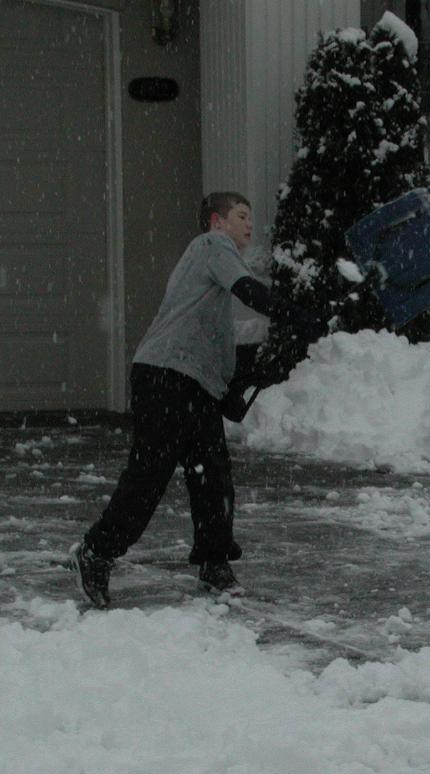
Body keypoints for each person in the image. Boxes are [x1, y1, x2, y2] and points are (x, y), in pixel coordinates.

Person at [70, 191, 321, 608]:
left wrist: (232, 386)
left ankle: (215, 563)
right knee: (150, 473)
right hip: (166, 375)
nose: (248, 225)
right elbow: (248, 291)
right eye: (241, 215)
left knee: (212, 476)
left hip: (192, 383)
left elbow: (217, 343)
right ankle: (96, 552)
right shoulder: (211, 246)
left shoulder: (210, 284)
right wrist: (294, 314)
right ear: (216, 222)